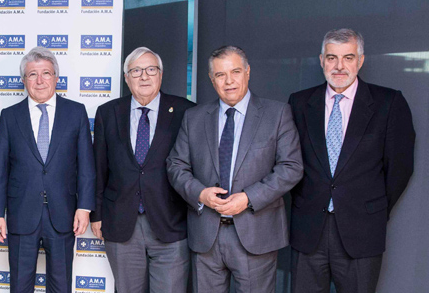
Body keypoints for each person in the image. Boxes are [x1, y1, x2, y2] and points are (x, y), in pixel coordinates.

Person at [287, 28, 415, 293]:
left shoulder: (388, 103)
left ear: (360, 60)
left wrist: (369, 207)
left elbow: (399, 169)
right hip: (309, 230)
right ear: (321, 60)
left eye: (348, 57)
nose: (339, 66)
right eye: (332, 58)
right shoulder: (299, 103)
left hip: (362, 230)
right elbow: (289, 163)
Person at [167, 45, 303, 292]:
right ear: (212, 79)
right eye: (220, 75)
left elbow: (291, 167)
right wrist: (200, 194)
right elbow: (176, 165)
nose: (229, 81)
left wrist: (249, 198)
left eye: (236, 72)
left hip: (255, 233)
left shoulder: (277, 113)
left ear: (248, 72)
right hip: (206, 235)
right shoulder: (194, 118)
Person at [0, 47, 95, 293]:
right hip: (21, 214)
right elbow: (0, 170)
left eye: (46, 73)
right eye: (32, 74)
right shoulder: (9, 116)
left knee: (61, 286)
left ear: (56, 78)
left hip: (64, 215)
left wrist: (84, 207)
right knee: (19, 286)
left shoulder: (76, 112)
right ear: (24, 80)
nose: (40, 80)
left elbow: (87, 166)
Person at [90, 47, 195, 292]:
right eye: (136, 71)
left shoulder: (186, 111)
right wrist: (96, 213)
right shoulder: (108, 112)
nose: (144, 76)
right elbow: (99, 166)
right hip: (121, 221)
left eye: (151, 70)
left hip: (171, 222)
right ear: (126, 78)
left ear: (160, 75)